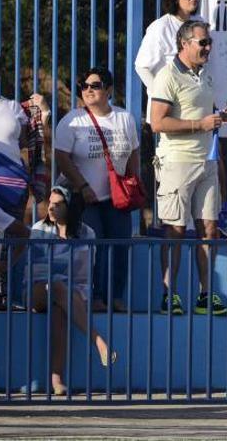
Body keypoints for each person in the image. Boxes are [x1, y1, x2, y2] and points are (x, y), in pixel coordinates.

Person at [149, 19, 227, 316]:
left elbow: (201, 115)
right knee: (176, 229)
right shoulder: (167, 75)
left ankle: (205, 294)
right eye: (202, 42)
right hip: (177, 161)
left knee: (209, 227)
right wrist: (200, 124)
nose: (208, 47)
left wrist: (216, 120)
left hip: (206, 160)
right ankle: (169, 293)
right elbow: (157, 122)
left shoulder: (204, 74)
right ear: (184, 43)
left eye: (209, 42)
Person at [54, 67, 140, 312]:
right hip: (85, 198)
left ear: (109, 90)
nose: (88, 90)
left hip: (118, 196)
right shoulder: (72, 120)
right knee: (95, 246)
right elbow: (62, 157)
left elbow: (134, 152)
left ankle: (116, 296)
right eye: (84, 86)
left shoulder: (124, 118)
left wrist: (134, 182)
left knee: (120, 245)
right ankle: (96, 297)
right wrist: (82, 186)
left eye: (95, 85)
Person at [0, 52, 46, 309]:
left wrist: (43, 114)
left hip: (12, 183)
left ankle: (5, 296)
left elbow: (29, 144)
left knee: (9, 240)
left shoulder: (13, 107)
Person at [28, 186, 117, 395]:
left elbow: (84, 274)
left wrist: (61, 269)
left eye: (58, 204)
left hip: (70, 293)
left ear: (70, 207)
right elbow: (36, 269)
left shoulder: (87, 233)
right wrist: (62, 270)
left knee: (60, 309)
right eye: (50, 203)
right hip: (38, 290)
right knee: (58, 286)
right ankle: (97, 340)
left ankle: (56, 380)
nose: (51, 208)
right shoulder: (39, 229)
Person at [135, 0, 205, 231]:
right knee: (174, 201)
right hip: (171, 116)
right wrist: (161, 96)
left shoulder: (200, 27)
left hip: (197, 112)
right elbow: (141, 65)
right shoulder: (161, 27)